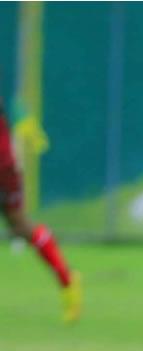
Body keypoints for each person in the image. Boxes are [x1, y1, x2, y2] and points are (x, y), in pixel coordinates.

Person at [0, 98, 81, 322]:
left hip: (3, 163)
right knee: (20, 224)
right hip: (6, 164)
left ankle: (68, 279)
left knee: (20, 224)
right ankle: (67, 279)